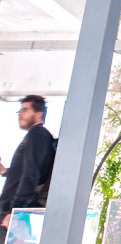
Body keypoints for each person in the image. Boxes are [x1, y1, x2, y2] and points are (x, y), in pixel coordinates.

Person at [0, 95, 56, 242]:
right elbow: (28, 171)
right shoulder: (37, 136)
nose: (20, 114)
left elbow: (31, 175)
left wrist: (15, 212)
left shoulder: (37, 135)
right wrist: (5, 171)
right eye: (19, 111)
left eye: (24, 110)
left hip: (12, 212)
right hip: (13, 211)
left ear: (39, 113)